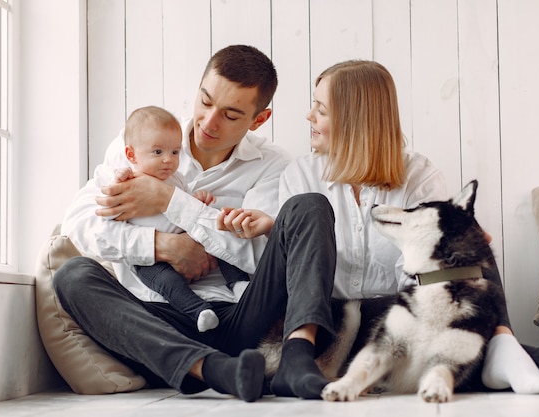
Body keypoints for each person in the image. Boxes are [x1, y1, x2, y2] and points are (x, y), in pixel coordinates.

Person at [218, 59, 539, 395]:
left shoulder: (417, 175)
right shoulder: (302, 176)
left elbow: (420, 279)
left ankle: (504, 346)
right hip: (332, 324)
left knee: (467, 236)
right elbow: (302, 275)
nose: (309, 116)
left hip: (403, 319)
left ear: (355, 120)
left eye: (321, 110)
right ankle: (502, 355)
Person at [53, 44, 338, 402]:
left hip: (240, 314)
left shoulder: (273, 166)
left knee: (310, 206)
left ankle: (296, 361)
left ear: (258, 120)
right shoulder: (142, 141)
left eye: (231, 115)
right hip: (155, 321)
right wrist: (162, 245)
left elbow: (258, 259)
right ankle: (215, 371)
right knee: (72, 275)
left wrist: (169, 200)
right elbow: (78, 224)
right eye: (205, 101)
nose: (208, 122)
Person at [96, 105, 250, 333]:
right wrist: (120, 177)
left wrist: (198, 198)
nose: (168, 160)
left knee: (219, 240)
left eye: (175, 152)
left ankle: (238, 284)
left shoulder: (176, 179)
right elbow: (104, 228)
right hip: (152, 261)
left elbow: (186, 206)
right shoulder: (126, 178)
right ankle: (198, 311)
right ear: (131, 155)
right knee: (167, 283)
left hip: (192, 242)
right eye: (158, 152)